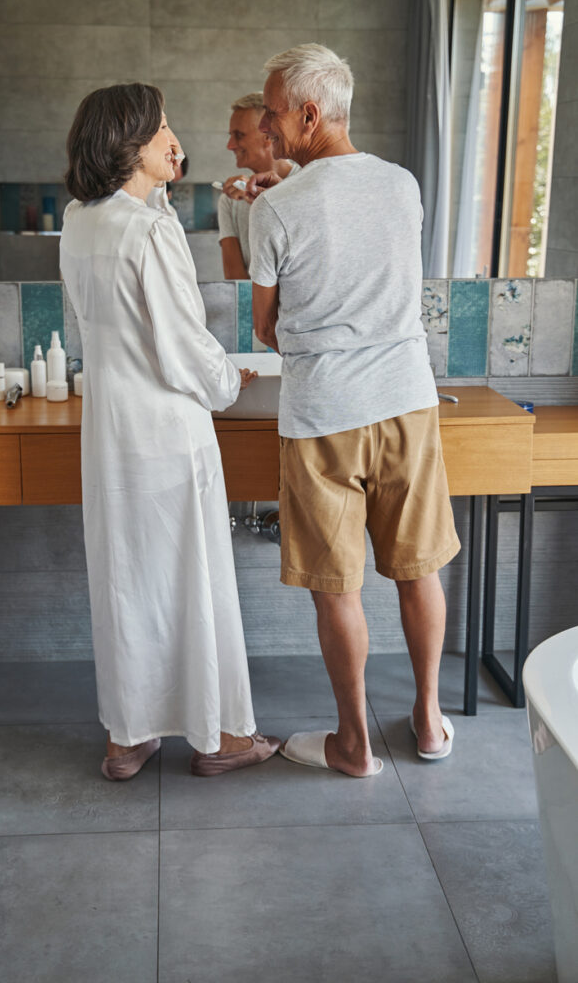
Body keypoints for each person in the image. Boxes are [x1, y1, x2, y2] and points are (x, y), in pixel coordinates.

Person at [247, 44, 461, 777]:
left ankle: (352, 744)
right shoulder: (402, 185)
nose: (267, 127)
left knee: (336, 586)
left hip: (323, 416)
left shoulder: (273, 206)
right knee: (417, 568)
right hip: (405, 402)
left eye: (274, 114)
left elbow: (263, 330)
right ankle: (428, 722)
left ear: (310, 113)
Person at [60, 83, 280, 780]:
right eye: (162, 129)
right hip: (167, 430)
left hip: (111, 431)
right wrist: (227, 383)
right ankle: (219, 740)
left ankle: (128, 738)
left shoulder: (80, 219)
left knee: (128, 580)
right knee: (194, 580)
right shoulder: (151, 231)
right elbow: (183, 345)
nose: (175, 140)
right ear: (128, 144)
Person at [218, 92, 295, 280]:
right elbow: (236, 280)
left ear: (268, 135)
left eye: (239, 135)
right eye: (231, 136)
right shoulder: (230, 200)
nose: (230, 145)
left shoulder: (307, 183)